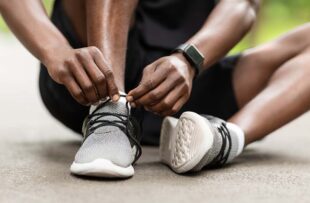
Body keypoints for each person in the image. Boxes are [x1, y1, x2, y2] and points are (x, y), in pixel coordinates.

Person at [1, 0, 310, 178]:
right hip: (90, 72)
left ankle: (223, 138)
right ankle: (109, 117)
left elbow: (242, 5)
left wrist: (189, 59)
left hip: (184, 84)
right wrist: (54, 49)